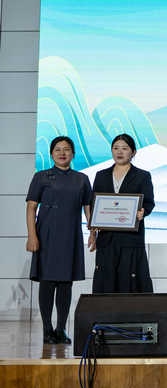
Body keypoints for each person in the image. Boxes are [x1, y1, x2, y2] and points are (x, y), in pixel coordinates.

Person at [25, 136, 93, 344]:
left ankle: (61, 329)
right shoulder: (41, 176)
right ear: (51, 153)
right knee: (47, 282)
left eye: (66, 149)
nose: (62, 153)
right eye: (57, 149)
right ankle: (47, 330)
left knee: (65, 284)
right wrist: (32, 236)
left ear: (73, 154)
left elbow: (88, 208)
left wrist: (93, 231)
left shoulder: (82, 179)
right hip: (46, 235)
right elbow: (31, 208)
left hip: (70, 235)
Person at [89, 133, 155, 293]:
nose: (119, 152)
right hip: (106, 238)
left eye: (125, 148)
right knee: (106, 281)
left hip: (131, 238)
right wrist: (92, 233)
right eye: (116, 148)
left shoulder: (142, 176)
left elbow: (149, 202)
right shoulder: (101, 175)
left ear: (133, 152)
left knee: (130, 281)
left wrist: (143, 212)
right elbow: (94, 205)